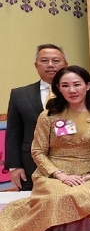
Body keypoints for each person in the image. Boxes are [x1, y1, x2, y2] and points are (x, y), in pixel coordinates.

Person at [0, 66, 90, 231]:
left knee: (80, 193)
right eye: (65, 85)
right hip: (52, 175)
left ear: (88, 85)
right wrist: (59, 174)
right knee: (61, 194)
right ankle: (27, 228)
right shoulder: (48, 116)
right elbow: (38, 151)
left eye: (77, 84)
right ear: (58, 89)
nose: (72, 90)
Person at [4, 43, 67, 190]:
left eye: (56, 61)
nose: (50, 65)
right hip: (30, 164)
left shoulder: (76, 93)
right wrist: (14, 166)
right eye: (44, 61)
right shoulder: (19, 94)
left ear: (65, 64)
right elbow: (14, 132)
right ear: (36, 65)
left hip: (67, 162)